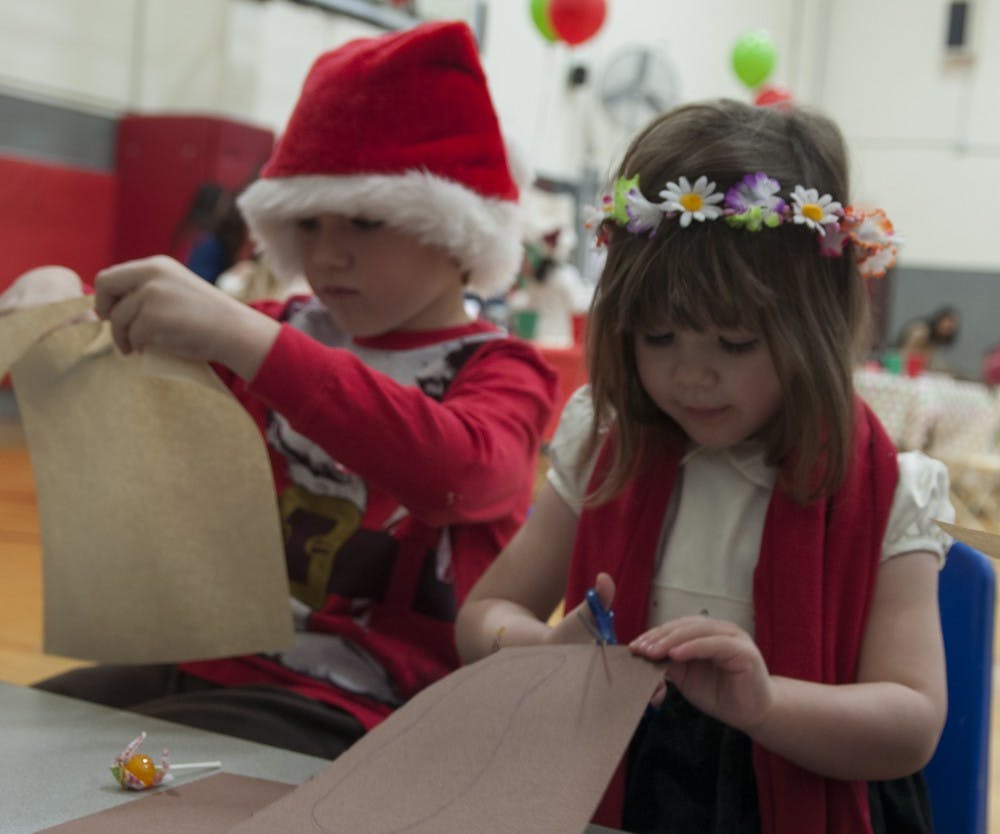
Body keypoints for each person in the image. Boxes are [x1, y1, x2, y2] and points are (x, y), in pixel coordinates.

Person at [25, 21, 557, 760]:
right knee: (29, 735)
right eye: (306, 222)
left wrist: (249, 340)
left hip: (372, 708)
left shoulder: (501, 367)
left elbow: (461, 474)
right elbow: (125, 379)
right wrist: (58, 311)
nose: (328, 252)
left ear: (456, 232)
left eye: (367, 222)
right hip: (209, 659)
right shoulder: (284, 324)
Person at [455, 99, 953, 834]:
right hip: (610, 778)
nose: (691, 377)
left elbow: (911, 721)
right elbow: (479, 620)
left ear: (813, 325)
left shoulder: (887, 487)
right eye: (658, 337)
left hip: (797, 791)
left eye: (734, 343)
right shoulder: (606, 443)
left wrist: (767, 703)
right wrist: (541, 648)